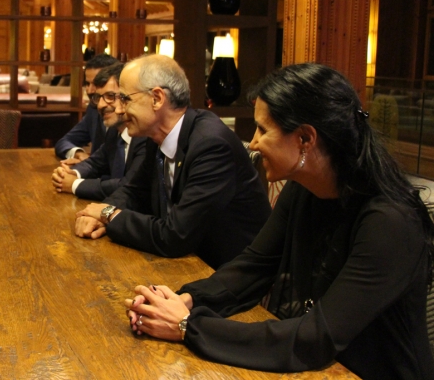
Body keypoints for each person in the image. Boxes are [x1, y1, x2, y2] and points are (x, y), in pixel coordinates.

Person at [125, 63, 434, 379]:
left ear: (304, 138)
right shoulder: (305, 189)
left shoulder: (391, 222)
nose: (254, 142)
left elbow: (316, 338)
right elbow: (253, 268)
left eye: (263, 129)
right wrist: (184, 300)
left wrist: (188, 326)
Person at [73, 54, 270, 269]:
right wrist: (100, 214)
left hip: (225, 273)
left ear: (157, 98)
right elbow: (132, 190)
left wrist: (108, 214)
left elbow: (175, 236)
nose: (119, 109)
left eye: (125, 99)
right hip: (185, 263)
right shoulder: (156, 135)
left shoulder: (211, 145)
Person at [52, 63, 146, 201]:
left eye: (109, 96)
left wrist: (74, 184)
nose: (101, 105)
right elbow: (94, 163)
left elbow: (128, 185)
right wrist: (72, 173)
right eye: (98, 97)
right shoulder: (114, 132)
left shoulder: (145, 135)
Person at [54, 53, 119, 160]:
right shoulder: (93, 110)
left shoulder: (128, 117)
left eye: (96, 84)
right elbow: (64, 142)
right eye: (87, 84)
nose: (89, 90)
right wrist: (79, 154)